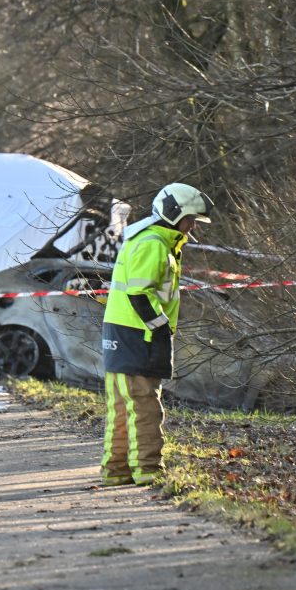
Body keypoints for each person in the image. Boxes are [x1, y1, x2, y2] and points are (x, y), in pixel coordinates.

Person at [101, 182, 212, 487]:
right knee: (146, 409)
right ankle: (148, 470)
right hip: (138, 337)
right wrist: (160, 327)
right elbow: (139, 293)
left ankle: (116, 471)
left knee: (123, 410)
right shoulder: (154, 243)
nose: (191, 227)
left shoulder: (148, 238)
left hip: (123, 336)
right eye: (190, 219)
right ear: (174, 214)